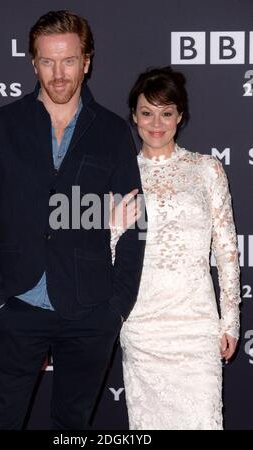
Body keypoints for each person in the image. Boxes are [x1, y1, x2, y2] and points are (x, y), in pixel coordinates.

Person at [0, 10, 146, 430]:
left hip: (90, 310)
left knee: (72, 426)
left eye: (68, 61)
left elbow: (137, 223)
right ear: (33, 63)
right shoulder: (2, 125)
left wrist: (117, 307)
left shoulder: (112, 131)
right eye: (47, 61)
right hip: (18, 304)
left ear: (87, 61)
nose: (58, 74)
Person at [110, 67, 241, 430]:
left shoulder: (207, 169)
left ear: (180, 116)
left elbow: (227, 250)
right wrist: (113, 227)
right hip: (142, 325)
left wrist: (229, 319)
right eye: (147, 112)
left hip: (196, 324)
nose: (156, 123)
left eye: (166, 113)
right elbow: (102, 259)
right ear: (133, 115)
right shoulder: (118, 175)